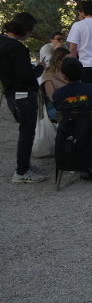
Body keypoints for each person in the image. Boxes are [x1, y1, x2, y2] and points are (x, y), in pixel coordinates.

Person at [0, 13, 47, 183]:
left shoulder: (2, 42)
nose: (31, 33)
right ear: (25, 28)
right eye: (30, 30)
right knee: (27, 132)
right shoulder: (17, 48)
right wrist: (40, 67)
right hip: (24, 94)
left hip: (11, 92)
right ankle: (22, 172)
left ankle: (24, 164)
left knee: (25, 130)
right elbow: (26, 76)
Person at [41, 46, 71, 120]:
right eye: (67, 60)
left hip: (70, 102)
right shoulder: (48, 75)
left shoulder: (67, 72)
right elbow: (53, 98)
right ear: (58, 61)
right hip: (54, 106)